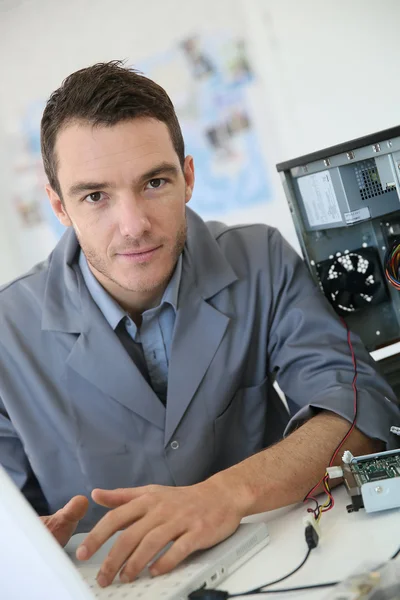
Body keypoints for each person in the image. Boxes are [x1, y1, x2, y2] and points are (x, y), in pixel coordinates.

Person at [0, 60, 399, 588]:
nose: (134, 224)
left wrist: (226, 494)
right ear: (59, 205)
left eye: (155, 182)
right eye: (95, 196)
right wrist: (24, 550)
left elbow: (359, 411)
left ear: (187, 177)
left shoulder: (261, 260)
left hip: (287, 565)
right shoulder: (7, 333)